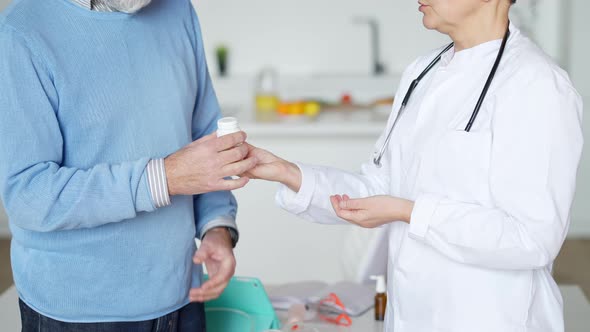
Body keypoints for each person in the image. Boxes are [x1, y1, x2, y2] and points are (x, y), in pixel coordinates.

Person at [243, 0, 584, 331]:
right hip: (410, 314)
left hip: (490, 318)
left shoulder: (538, 85)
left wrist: (410, 212)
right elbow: (380, 188)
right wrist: (288, 173)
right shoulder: (422, 72)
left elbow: (531, 238)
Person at [0, 0, 256, 330]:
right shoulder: (21, 31)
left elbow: (205, 134)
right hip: (82, 313)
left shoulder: (177, 9)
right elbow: (28, 196)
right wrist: (164, 178)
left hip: (184, 294)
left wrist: (216, 228)